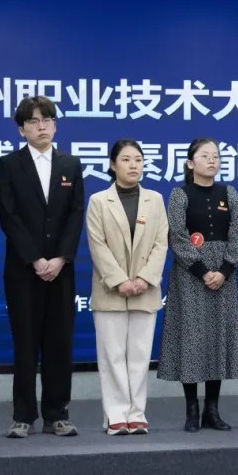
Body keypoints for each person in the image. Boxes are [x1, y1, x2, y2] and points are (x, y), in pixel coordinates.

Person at [0, 96, 85, 438]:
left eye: (47, 120)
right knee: (25, 343)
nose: (41, 126)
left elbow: (75, 214)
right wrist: (35, 258)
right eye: (33, 121)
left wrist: (60, 258)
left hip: (61, 270)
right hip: (23, 269)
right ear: (22, 130)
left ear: (55, 126)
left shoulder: (70, 164)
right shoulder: (9, 165)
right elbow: (9, 216)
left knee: (59, 343)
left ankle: (57, 414)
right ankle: (23, 415)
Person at [158, 138, 238, 432]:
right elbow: (177, 236)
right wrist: (202, 270)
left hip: (224, 275)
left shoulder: (229, 193)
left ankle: (212, 409)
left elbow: (236, 234)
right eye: (205, 155)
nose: (212, 160)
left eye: (216, 156)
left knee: (217, 338)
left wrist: (224, 270)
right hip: (190, 275)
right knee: (192, 339)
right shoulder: (180, 194)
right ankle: (191, 409)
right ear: (190, 163)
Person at [86, 139, 169, 435]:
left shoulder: (155, 200)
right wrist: (120, 280)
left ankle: (137, 413)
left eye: (138, 160)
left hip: (146, 290)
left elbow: (161, 243)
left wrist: (145, 278)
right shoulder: (98, 201)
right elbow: (97, 245)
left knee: (139, 355)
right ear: (113, 165)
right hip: (110, 290)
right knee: (112, 356)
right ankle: (116, 414)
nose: (133, 165)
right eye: (126, 159)